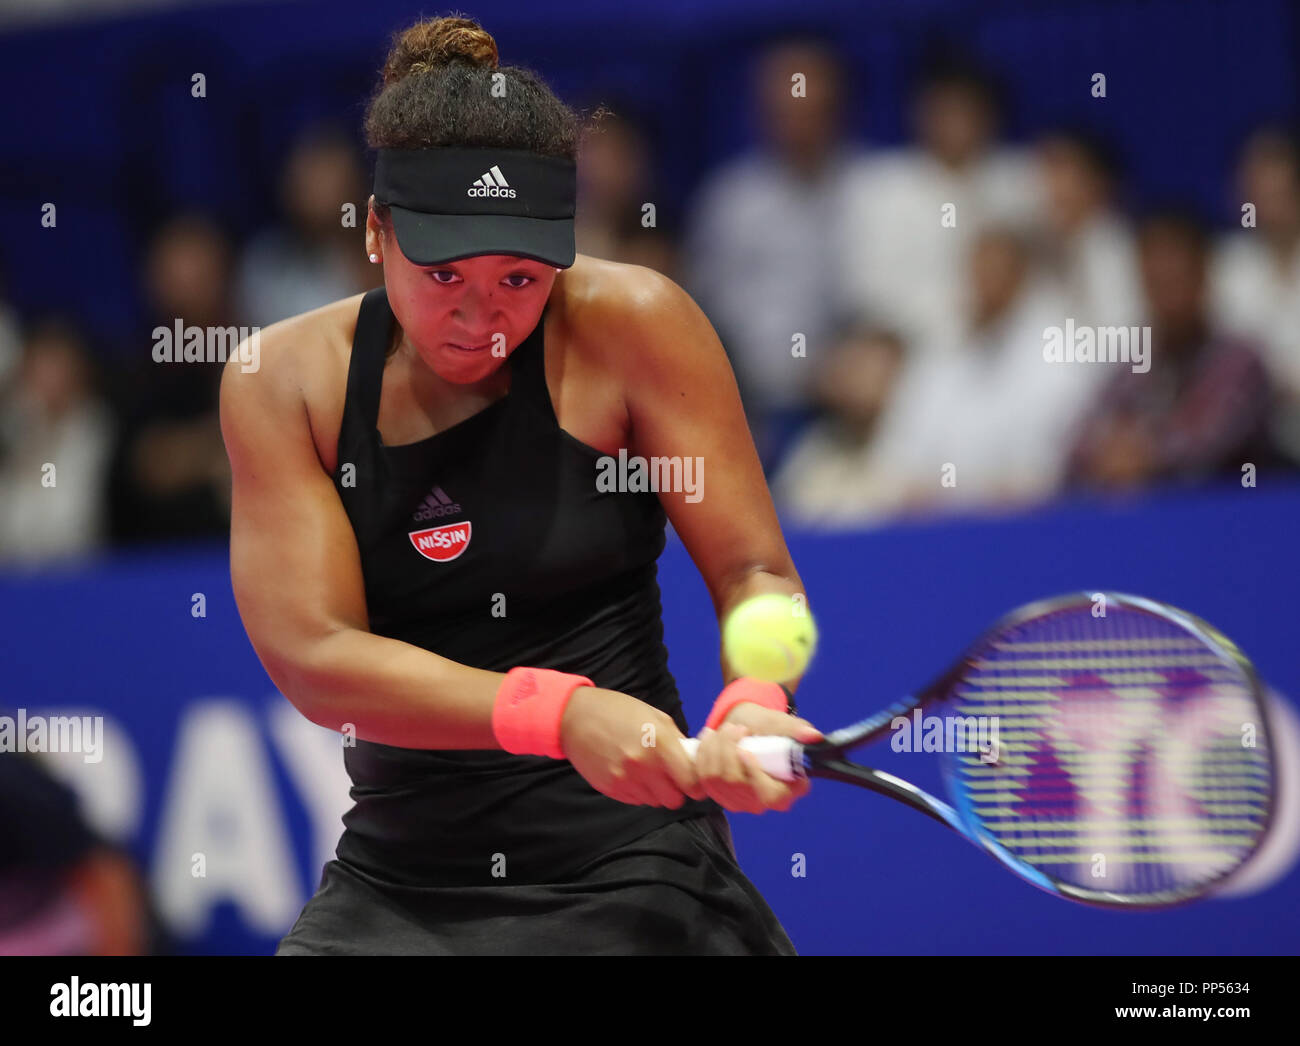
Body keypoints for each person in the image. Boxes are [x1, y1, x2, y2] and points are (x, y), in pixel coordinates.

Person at [220, 15, 821, 956]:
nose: (479, 316)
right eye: (444, 273)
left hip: (636, 865)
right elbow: (316, 658)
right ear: (376, 232)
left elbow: (756, 575)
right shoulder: (283, 384)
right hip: (399, 884)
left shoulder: (639, 327)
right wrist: (558, 714)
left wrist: (757, 696)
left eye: (519, 277)